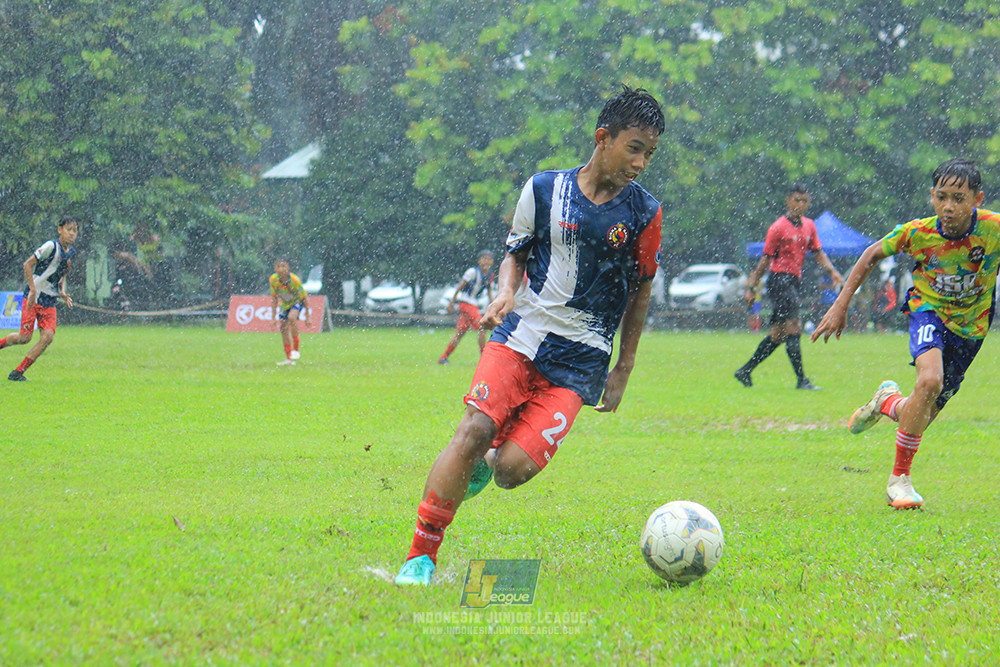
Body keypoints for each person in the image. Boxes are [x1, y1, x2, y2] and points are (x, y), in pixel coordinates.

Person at [395, 85, 665, 585]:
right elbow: (516, 252)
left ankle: (488, 460)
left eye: (650, 153)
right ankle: (420, 557)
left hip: (582, 361)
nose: (642, 163)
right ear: (602, 137)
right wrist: (504, 293)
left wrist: (623, 366)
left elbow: (642, 290)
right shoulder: (543, 189)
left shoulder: (644, 213)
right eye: (634, 148)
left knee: (510, 471)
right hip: (521, 335)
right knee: (473, 429)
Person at [811, 158, 1000, 509]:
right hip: (926, 311)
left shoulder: (993, 230)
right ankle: (899, 482)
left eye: (959, 198)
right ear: (932, 196)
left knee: (919, 417)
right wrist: (841, 305)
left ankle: (887, 402)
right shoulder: (917, 233)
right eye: (941, 196)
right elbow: (871, 254)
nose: (948, 206)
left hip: (971, 330)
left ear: (977, 198)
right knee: (930, 382)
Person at [735, 184, 843, 390]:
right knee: (794, 327)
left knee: (778, 335)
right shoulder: (777, 227)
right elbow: (765, 260)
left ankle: (745, 371)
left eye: (805, 201)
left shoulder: (810, 226)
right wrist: (752, 287)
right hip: (779, 280)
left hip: (793, 281)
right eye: (797, 200)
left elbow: (818, 252)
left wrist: (832, 271)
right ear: (788, 201)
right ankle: (802, 380)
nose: (800, 205)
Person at [0, 216, 79, 381]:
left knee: (48, 337)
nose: (72, 234)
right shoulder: (51, 246)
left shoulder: (71, 253)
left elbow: (62, 274)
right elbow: (27, 264)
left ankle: (18, 372)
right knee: (24, 338)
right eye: (69, 229)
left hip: (50, 302)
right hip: (33, 299)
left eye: (75, 231)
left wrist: (62, 292)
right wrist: (33, 290)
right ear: (60, 230)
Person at [437, 250, 495, 365]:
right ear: (479, 261)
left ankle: (443, 357)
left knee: (460, 332)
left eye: (489, 259)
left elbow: (489, 293)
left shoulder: (490, 275)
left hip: (473, 304)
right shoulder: (473, 272)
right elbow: (460, 286)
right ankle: (484, 358)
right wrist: (452, 302)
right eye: (484, 258)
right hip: (465, 303)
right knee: (482, 327)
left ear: (492, 262)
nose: (486, 261)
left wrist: (493, 307)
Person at [269, 260, 310, 365]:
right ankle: (289, 359)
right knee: (283, 328)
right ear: (275, 270)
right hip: (285, 304)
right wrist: (273, 318)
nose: (281, 269)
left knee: (292, 318)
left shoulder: (294, 280)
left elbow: (305, 296)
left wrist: (307, 316)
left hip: (297, 301)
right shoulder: (273, 280)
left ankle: (296, 349)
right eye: (279, 267)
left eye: (283, 266)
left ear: (288, 269)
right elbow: (274, 299)